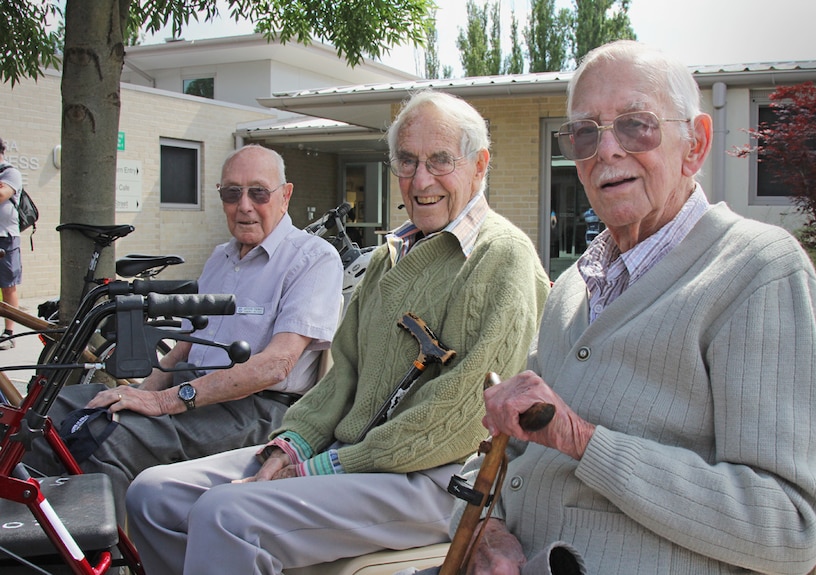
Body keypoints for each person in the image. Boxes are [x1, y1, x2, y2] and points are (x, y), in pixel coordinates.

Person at [440, 40, 816, 575]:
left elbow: (790, 528)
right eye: (584, 133)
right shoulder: (575, 289)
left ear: (694, 145)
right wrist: (484, 533)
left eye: (635, 124)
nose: (606, 151)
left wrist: (582, 441)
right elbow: (505, 448)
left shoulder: (757, 272)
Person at [125, 89, 551, 575]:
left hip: (434, 479)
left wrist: (318, 468)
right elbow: (341, 374)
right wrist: (293, 445)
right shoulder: (391, 254)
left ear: (479, 165)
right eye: (406, 162)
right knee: (152, 496)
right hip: (351, 459)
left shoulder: (503, 258)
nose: (421, 179)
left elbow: (458, 419)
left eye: (440, 161)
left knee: (226, 515)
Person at [24, 144, 344, 520]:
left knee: (108, 440)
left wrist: (164, 402)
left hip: (256, 408)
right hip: (194, 391)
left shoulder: (312, 258)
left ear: (285, 195)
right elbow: (183, 350)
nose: (244, 205)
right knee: (44, 409)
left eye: (258, 192)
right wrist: (142, 392)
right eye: (231, 193)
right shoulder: (220, 257)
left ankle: (112, 555)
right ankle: (40, 536)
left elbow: (277, 365)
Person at [0, 136, 23, 350]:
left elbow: (1, 194)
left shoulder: (10, 173)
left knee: (8, 285)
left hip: (5, 237)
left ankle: (9, 332)